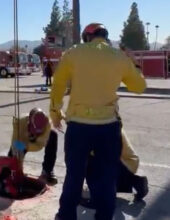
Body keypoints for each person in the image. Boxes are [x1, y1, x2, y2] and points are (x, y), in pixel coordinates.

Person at [50, 23, 146, 220]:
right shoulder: (118, 56)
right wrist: (134, 64)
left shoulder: (73, 53)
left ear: (87, 36)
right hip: (108, 128)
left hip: (78, 126)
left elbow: (58, 84)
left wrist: (55, 113)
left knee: (74, 176)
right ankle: (104, 216)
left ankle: (66, 215)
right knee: (106, 178)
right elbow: (139, 87)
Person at [81, 129, 149, 208]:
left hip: (117, 163)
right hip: (126, 163)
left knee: (87, 161)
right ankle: (137, 181)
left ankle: (97, 199)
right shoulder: (111, 120)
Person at [8, 108, 58, 185]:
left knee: (53, 135)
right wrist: (19, 170)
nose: (36, 133)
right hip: (22, 140)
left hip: (34, 142)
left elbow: (39, 145)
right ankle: (11, 168)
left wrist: (26, 146)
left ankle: (47, 170)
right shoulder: (19, 122)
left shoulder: (48, 124)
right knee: (14, 154)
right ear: (29, 121)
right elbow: (14, 143)